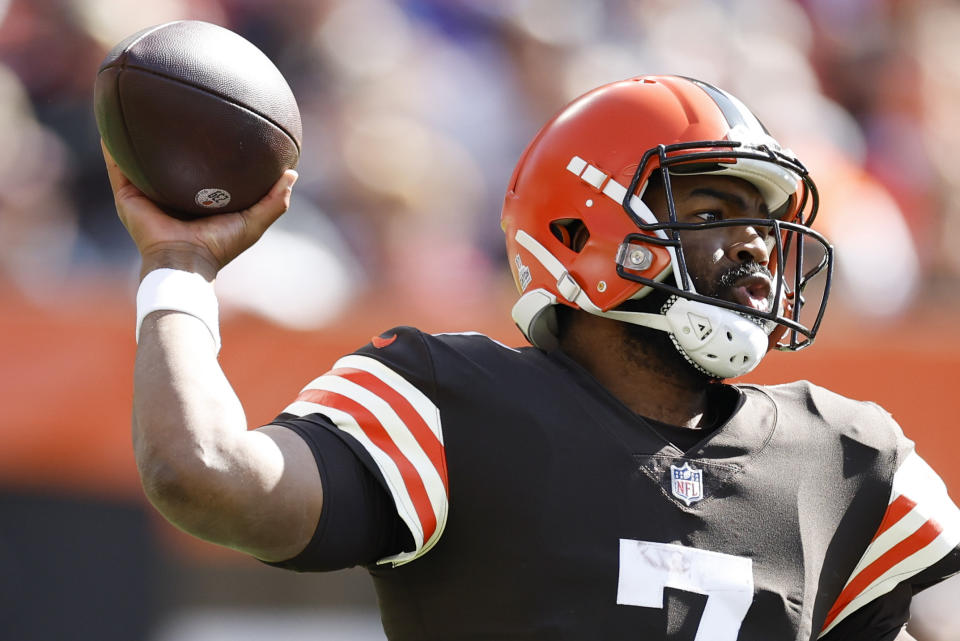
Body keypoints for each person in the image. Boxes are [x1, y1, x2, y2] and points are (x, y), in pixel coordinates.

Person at [107, 75, 960, 640]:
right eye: (712, 207)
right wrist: (179, 267)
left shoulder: (852, 462)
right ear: (580, 229)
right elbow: (204, 472)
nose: (756, 250)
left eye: (764, 224)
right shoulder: (453, 402)